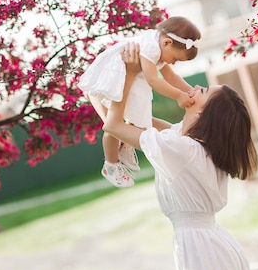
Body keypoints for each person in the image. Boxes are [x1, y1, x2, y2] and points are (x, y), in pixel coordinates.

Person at [102, 42, 258, 270]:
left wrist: (126, 75)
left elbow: (113, 125)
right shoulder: (187, 142)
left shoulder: (182, 149)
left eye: (202, 91)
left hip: (204, 249)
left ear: (204, 111)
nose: (193, 88)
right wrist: (121, 82)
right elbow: (133, 124)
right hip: (208, 245)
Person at [78, 16, 201, 188]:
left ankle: (126, 145)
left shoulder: (160, 48)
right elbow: (154, 80)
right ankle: (111, 165)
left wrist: (190, 90)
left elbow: (171, 76)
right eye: (175, 59)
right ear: (167, 43)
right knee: (114, 125)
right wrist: (178, 95)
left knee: (137, 119)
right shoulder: (151, 47)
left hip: (129, 79)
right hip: (114, 78)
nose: (173, 63)